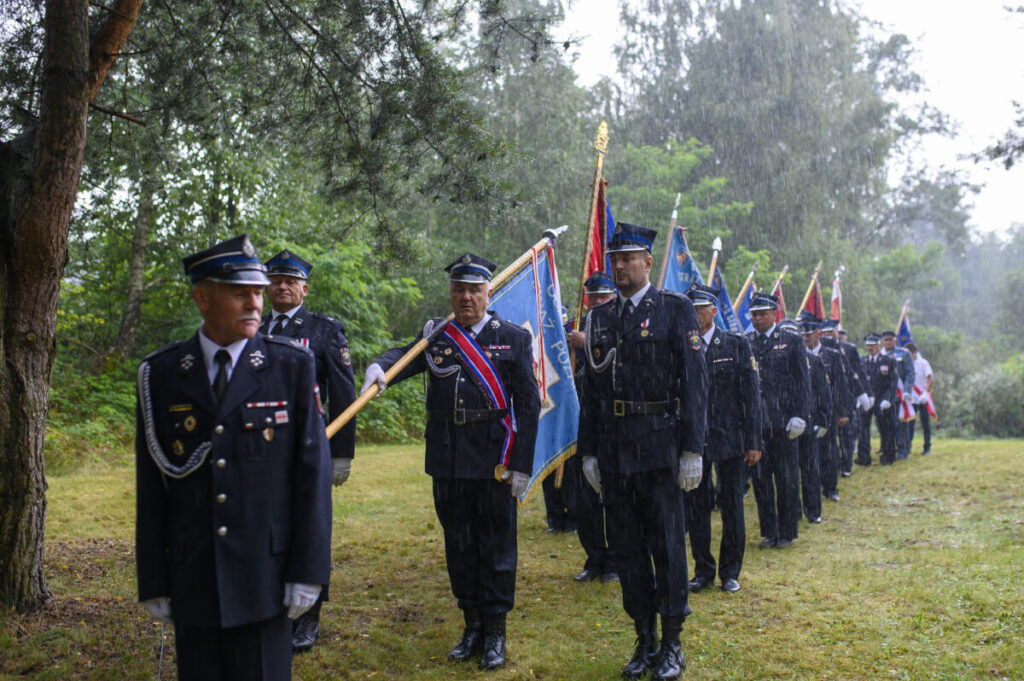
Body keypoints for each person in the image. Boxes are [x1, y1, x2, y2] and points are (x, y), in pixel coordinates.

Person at [136, 235, 332, 681]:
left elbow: (311, 479)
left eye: (259, 292)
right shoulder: (162, 375)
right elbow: (151, 487)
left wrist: (309, 570)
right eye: (240, 293)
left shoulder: (290, 368)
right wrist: (154, 577)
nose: (254, 303)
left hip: (267, 577)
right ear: (202, 297)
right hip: (194, 577)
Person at [361, 253, 540, 671]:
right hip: (446, 458)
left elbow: (528, 406)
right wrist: (379, 367)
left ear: (488, 292)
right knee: (459, 546)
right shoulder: (437, 337)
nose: (466, 297)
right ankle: (471, 624)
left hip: (493, 460)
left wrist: (522, 464)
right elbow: (403, 357)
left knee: (496, 547)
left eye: (474, 290)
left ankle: (495, 633)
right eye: (459, 289)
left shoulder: (512, 338)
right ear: (451, 293)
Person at [577, 223, 708, 681]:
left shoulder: (675, 310)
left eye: (629, 258)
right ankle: (645, 638)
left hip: (661, 447)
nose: (620, 266)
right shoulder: (601, 317)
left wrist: (693, 448)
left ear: (648, 263)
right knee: (629, 549)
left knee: (669, 548)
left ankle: (672, 643)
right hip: (615, 452)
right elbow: (592, 392)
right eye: (615, 259)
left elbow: (695, 383)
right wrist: (588, 452)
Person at [260, 249, 357, 650]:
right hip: (261, 452)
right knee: (266, 531)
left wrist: (341, 454)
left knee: (309, 531)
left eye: (290, 281)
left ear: (304, 287)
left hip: (308, 450)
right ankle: (271, 608)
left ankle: (309, 617)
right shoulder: (253, 327)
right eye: (275, 280)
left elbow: (345, 394)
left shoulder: (322, 330)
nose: (282, 287)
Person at [683, 284, 761, 595]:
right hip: (695, 440)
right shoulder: (683, 345)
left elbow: (751, 397)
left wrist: (754, 440)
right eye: (691, 309)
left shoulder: (735, 344)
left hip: (730, 439)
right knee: (697, 509)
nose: (695, 314)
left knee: (732, 507)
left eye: (700, 309)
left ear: (713, 311)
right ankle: (703, 570)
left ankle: (730, 572)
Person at [565, 272, 619, 584]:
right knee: (584, 498)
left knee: (611, 498)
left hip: (612, 423)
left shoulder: (619, 323)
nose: (597, 302)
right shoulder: (578, 325)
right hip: (582, 421)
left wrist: (586, 346)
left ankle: (614, 561)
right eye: (593, 297)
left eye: (603, 296)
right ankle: (593, 557)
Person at [747, 296, 810, 549]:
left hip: (784, 422)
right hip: (758, 424)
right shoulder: (747, 342)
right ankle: (769, 531)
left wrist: (800, 415)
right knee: (761, 481)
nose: (758, 319)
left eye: (762, 314)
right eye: (754, 315)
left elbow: (802, 382)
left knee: (786, 480)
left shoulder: (791, 341)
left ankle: (787, 531)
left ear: (775, 314)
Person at [793, 316, 833, 524]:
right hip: (791, 422)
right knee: (791, 472)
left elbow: (823, 393)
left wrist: (824, 420)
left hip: (810, 421)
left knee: (810, 469)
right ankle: (795, 511)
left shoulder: (815, 362)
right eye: (803, 334)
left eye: (809, 334)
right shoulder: (790, 357)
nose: (806, 338)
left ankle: (813, 510)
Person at [821, 321, 871, 477]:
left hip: (845, 395)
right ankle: (832, 466)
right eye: (825, 332)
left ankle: (846, 465)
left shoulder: (848, 349)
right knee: (828, 435)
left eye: (831, 331)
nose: (828, 335)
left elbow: (856, 371)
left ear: (837, 332)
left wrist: (864, 392)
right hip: (826, 397)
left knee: (846, 433)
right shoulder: (817, 348)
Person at [861, 334, 899, 465]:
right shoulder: (863, 361)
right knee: (863, 429)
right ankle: (864, 457)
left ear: (879, 345)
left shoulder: (888, 360)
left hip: (882, 399)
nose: (870, 348)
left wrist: (888, 399)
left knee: (886, 428)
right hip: (867, 399)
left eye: (873, 345)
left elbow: (893, 382)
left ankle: (889, 455)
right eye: (868, 346)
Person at [880, 330, 915, 460]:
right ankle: (887, 448)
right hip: (884, 394)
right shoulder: (880, 354)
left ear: (895, 340)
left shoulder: (903, 353)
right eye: (885, 340)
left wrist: (907, 390)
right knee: (885, 423)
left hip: (899, 394)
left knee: (900, 423)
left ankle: (903, 449)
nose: (887, 342)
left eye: (890, 339)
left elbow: (910, 373)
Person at [907, 343, 934, 455]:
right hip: (911, 399)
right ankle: (907, 447)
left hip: (922, 397)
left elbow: (930, 379)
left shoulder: (923, 363)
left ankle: (927, 447)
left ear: (914, 352)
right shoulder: (906, 363)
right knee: (910, 425)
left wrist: (926, 393)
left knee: (925, 423)